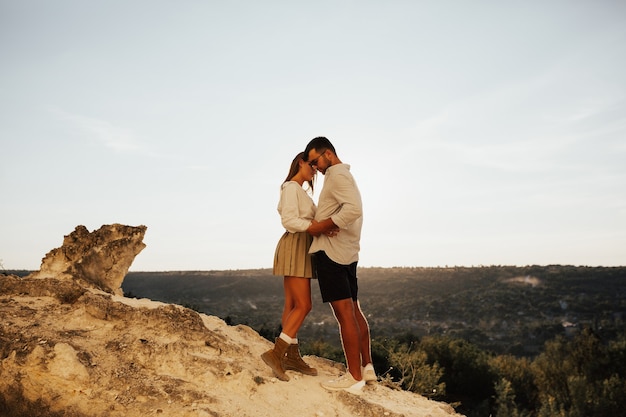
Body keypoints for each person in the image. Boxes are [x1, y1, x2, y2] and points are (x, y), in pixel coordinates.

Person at [304, 136, 376, 393]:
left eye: (316, 161)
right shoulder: (344, 176)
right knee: (354, 311)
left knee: (344, 314)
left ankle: (353, 375)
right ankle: (367, 368)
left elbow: (353, 209)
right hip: (347, 252)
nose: (315, 168)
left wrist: (322, 226)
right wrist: (332, 222)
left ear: (328, 154)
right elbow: (348, 210)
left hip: (332, 254)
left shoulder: (335, 175)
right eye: (312, 164)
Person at [261, 151, 326, 381]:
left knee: (291, 304)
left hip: (300, 243)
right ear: (300, 162)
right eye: (312, 165)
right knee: (304, 305)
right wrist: (314, 227)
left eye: (317, 168)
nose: (315, 170)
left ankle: (292, 355)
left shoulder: (298, 190)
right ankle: (277, 354)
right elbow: (288, 220)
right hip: (296, 242)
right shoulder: (291, 188)